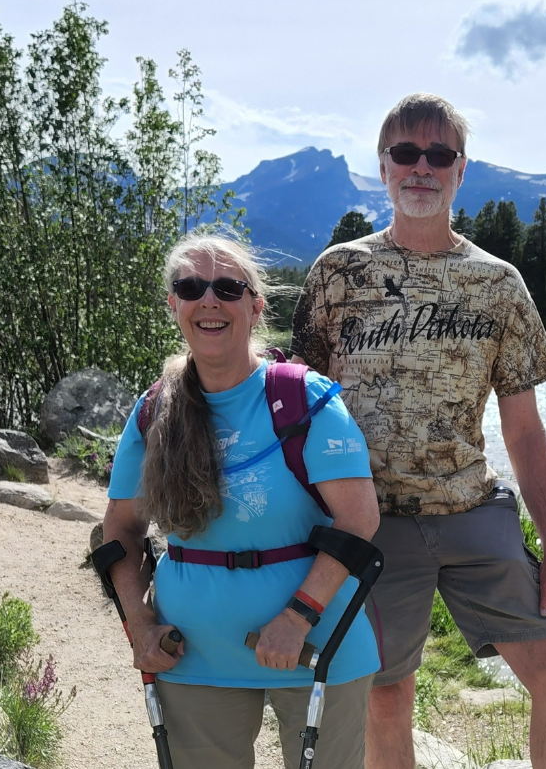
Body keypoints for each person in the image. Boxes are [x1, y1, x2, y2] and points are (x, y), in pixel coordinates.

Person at [291, 93, 546, 769]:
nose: (420, 167)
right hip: (370, 523)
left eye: (438, 155)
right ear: (384, 167)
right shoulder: (338, 272)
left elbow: (524, 429)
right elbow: (295, 406)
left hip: (472, 513)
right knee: (386, 696)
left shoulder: (498, 283)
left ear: (460, 171)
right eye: (406, 153)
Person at [103, 231, 381, 769]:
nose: (210, 300)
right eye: (191, 286)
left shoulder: (306, 399)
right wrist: (140, 628)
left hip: (318, 646)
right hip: (191, 651)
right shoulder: (153, 410)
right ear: (174, 305)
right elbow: (120, 532)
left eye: (228, 287)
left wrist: (297, 618)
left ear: (256, 308)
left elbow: (358, 520)